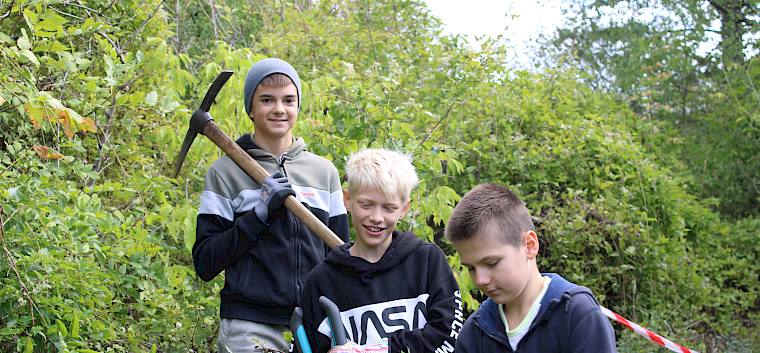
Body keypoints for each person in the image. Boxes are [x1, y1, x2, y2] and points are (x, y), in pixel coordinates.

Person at [192, 57, 350, 353]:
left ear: (298, 106)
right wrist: (258, 214)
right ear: (250, 108)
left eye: (288, 100)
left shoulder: (323, 171)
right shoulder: (225, 173)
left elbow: (340, 254)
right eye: (267, 100)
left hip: (316, 324)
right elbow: (205, 262)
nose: (279, 108)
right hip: (249, 325)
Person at [297, 149, 462, 353]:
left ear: (404, 208)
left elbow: (449, 337)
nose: (376, 217)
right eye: (366, 205)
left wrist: (379, 350)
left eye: (389, 208)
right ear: (347, 200)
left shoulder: (427, 261)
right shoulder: (321, 281)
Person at [444, 183, 617, 353]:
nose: (480, 279)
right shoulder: (474, 334)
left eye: (491, 263)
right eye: (471, 268)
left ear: (529, 245)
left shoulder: (578, 316)